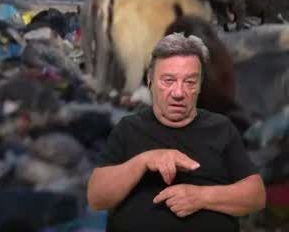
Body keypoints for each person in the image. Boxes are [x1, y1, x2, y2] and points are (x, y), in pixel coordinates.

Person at [87, 33, 265, 230]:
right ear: (150, 81)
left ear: (200, 85)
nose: (179, 93)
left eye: (189, 82)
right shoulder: (128, 128)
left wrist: (201, 197)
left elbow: (255, 196)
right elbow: (97, 199)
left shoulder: (221, 128)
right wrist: (143, 161)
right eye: (168, 80)